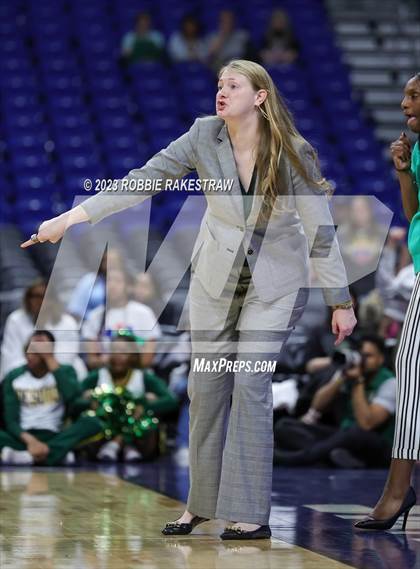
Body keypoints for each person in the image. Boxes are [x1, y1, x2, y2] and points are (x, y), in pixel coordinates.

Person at [21, 59, 356, 540]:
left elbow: (321, 230)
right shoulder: (204, 135)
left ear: (260, 96)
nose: (221, 92)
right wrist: (68, 220)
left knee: (251, 387)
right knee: (206, 392)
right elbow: (143, 179)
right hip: (215, 279)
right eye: (219, 84)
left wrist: (340, 301)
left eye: (233, 85)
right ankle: (199, 506)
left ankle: (250, 514)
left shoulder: (292, 150)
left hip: (274, 285)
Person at [354, 73, 420, 531]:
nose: (402, 103)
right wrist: (403, 173)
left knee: (410, 377)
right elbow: (415, 217)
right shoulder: (417, 150)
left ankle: (397, 492)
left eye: (414, 95)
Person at [273, 335, 397, 469]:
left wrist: (358, 382)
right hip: (342, 437)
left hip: (377, 445)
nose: (362, 361)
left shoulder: (390, 383)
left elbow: (366, 424)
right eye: (360, 355)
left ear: (381, 359)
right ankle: (335, 457)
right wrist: (341, 378)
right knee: (284, 425)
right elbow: (317, 406)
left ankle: (302, 458)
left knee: (355, 433)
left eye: (368, 356)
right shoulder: (348, 373)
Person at [0, 331, 102, 466]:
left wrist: (50, 360)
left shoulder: (65, 371)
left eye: (36, 351)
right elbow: (10, 420)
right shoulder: (14, 376)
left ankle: (27, 456)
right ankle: (57, 454)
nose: (29, 355)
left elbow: (73, 397)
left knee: (92, 423)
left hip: (55, 434)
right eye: (28, 349)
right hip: (22, 436)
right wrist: (31, 441)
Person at [81, 332, 178, 462]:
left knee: (145, 419)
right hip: (105, 427)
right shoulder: (98, 375)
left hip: (134, 425)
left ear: (133, 356)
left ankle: (118, 445)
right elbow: (74, 398)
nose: (118, 356)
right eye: (114, 351)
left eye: (123, 352)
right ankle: (123, 445)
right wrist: (90, 401)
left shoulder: (143, 376)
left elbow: (171, 400)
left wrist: (145, 405)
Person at [0, 279, 86, 381]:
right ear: (28, 299)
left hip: (58, 376)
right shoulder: (15, 319)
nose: (40, 301)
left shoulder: (67, 323)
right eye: (35, 296)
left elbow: (66, 359)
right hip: (23, 375)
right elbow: (11, 357)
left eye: (45, 297)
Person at [81, 267, 161, 368]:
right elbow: (92, 360)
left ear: (129, 287)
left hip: (138, 373)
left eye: (118, 281)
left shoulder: (144, 313)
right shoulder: (95, 316)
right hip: (106, 374)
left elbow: (148, 358)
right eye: (109, 280)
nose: (112, 285)